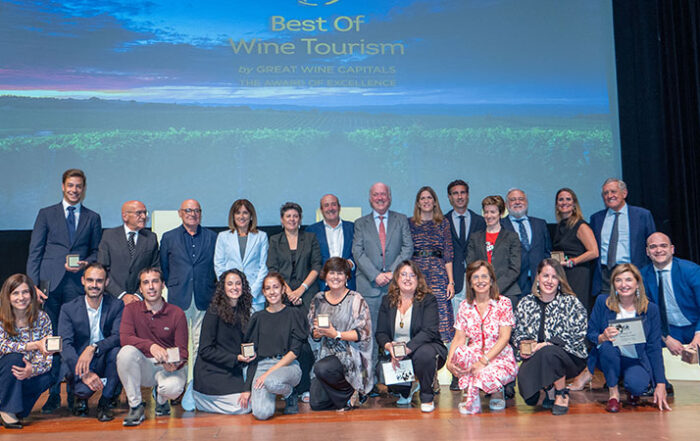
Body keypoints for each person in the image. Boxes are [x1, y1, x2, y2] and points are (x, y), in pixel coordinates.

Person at [26, 168, 102, 413]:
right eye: (70, 185)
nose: (74, 190)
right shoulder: (46, 214)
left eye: (78, 186)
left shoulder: (93, 217)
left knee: (76, 339)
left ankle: (75, 392)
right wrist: (32, 285)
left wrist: (86, 264)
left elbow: (96, 253)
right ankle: (52, 394)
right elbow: (35, 251)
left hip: (78, 285)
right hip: (49, 287)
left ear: (84, 188)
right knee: (53, 339)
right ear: (62, 186)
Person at [587, 264, 670, 412]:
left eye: (628, 280)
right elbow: (590, 334)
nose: (623, 285)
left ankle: (630, 387)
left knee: (638, 386)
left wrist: (661, 383)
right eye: (618, 280)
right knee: (607, 347)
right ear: (613, 284)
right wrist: (602, 336)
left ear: (637, 283)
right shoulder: (602, 302)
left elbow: (654, 348)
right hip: (609, 356)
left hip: (635, 359)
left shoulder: (650, 310)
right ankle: (614, 394)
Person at [352, 182, 414, 376]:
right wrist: (375, 275)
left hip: (396, 287)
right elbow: (357, 251)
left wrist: (392, 273)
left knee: (397, 334)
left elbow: (407, 248)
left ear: (390, 197)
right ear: (370, 198)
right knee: (368, 337)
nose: (380, 198)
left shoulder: (401, 219)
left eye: (384, 195)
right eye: (376, 195)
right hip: (369, 288)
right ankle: (369, 381)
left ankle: (397, 380)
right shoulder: (360, 223)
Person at [513, 259, 587, 415]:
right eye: (546, 275)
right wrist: (523, 346)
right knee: (529, 397)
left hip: (570, 357)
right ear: (538, 277)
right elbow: (518, 333)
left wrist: (546, 344)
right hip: (536, 356)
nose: (549, 281)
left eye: (554, 277)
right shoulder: (526, 303)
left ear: (559, 280)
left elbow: (578, 334)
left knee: (550, 352)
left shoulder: (570, 302)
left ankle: (561, 393)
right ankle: (549, 388)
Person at [117, 268, 188, 426]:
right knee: (125, 353)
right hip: (144, 366)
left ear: (163, 285)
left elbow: (183, 351)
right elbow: (125, 338)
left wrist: (176, 363)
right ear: (140, 288)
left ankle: (161, 399)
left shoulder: (177, 313)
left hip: (167, 368)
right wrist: (151, 346)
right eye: (146, 283)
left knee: (173, 388)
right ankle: (136, 407)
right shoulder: (130, 310)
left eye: (155, 281)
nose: (151, 287)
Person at [446, 261, 517, 415]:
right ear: (470, 283)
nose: (480, 281)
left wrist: (483, 361)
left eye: (484, 276)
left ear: (491, 280)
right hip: (474, 356)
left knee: (484, 372)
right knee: (462, 353)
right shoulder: (465, 306)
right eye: (475, 277)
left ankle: (497, 391)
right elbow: (459, 338)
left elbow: (504, 338)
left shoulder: (504, 303)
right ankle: (469, 393)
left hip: (499, 357)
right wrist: (448, 362)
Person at [375, 261, 447, 412]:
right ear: (397, 278)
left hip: (423, 347)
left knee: (424, 355)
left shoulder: (428, 300)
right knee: (386, 375)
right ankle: (406, 389)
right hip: (396, 351)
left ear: (418, 279)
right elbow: (381, 333)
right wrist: (390, 347)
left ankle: (427, 395)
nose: (407, 279)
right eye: (403, 274)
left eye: (412, 275)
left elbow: (429, 331)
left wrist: (405, 350)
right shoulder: (387, 301)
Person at [57, 263, 123, 422]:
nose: (94, 285)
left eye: (99, 281)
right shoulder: (68, 308)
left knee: (118, 352)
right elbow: (65, 344)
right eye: (90, 280)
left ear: (106, 283)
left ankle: (105, 402)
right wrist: (84, 374)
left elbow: (118, 336)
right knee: (82, 390)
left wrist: (94, 347)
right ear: (82, 281)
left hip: (103, 357)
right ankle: (80, 396)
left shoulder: (116, 305)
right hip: (80, 362)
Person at [308, 258, 373, 411]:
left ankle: (351, 390)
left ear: (347, 277)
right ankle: (347, 397)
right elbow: (311, 331)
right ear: (325, 276)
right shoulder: (318, 299)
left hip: (350, 354)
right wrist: (317, 333)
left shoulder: (356, 299)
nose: (335, 277)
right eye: (332, 273)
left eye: (340, 273)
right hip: (325, 354)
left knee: (322, 369)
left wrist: (335, 334)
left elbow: (362, 333)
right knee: (316, 404)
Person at [641, 232, 700, 397]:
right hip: (667, 330)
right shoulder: (642, 276)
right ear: (647, 252)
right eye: (653, 247)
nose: (658, 250)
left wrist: (698, 335)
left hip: (694, 326)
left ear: (672, 249)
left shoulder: (691, 270)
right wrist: (666, 338)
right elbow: (644, 316)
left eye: (663, 246)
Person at [243, 272, 307, 420]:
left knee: (271, 381)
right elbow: (252, 354)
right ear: (263, 292)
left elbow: (294, 352)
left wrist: (268, 373)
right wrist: (247, 388)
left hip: (288, 366)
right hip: (262, 366)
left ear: (283, 289)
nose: (272, 292)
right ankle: (274, 393)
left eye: (276, 287)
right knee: (261, 413)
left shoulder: (294, 314)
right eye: (268, 288)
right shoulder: (257, 318)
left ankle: (289, 393)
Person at [192, 269, 253, 414]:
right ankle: (197, 398)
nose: (234, 287)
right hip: (211, 370)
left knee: (252, 400)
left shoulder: (244, 311)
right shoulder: (213, 311)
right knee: (243, 408)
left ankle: (201, 398)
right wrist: (236, 358)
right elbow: (205, 350)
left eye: (238, 283)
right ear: (223, 287)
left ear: (243, 287)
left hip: (232, 369)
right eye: (230, 284)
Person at [444, 179, 485, 390]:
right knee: (457, 330)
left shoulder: (480, 220)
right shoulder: (442, 221)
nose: (459, 196)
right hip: (454, 284)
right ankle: (457, 374)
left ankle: (476, 372)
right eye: (455, 193)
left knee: (477, 330)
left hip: (477, 283)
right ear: (449, 197)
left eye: (463, 193)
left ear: (468, 195)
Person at [0, 274, 53, 429]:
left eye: (25, 292)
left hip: (25, 372)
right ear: (7, 296)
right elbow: (2, 346)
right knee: (15, 358)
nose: (21, 297)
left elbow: (47, 358)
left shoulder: (42, 318)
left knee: (48, 376)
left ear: (32, 294)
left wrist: (32, 370)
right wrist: (34, 345)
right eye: (15, 293)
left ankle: (13, 408)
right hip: (3, 372)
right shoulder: (1, 318)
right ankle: (6, 410)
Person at [589, 178, 656, 296]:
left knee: (634, 312)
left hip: (632, 273)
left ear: (624, 193)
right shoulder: (596, 218)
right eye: (605, 193)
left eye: (613, 191)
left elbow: (652, 245)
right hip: (605, 276)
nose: (609, 196)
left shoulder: (642, 215)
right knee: (607, 312)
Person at [409, 186, 455, 343]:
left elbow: (448, 254)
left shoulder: (443, 223)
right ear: (418, 203)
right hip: (417, 272)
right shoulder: (410, 223)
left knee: (441, 312)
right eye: (422, 198)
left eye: (429, 198)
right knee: (419, 309)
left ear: (435, 202)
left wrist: (450, 282)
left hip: (438, 273)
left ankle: (441, 352)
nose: (426, 201)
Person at [98, 200, 160, 304]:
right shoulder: (108, 236)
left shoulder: (151, 238)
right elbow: (102, 270)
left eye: (145, 213)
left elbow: (155, 268)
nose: (144, 216)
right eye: (139, 213)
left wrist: (138, 295)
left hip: (141, 300)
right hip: (113, 299)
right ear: (125, 216)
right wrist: (122, 295)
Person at [214, 199, 269, 311]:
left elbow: (264, 266)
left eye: (245, 213)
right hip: (230, 297)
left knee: (254, 328)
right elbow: (219, 265)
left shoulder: (261, 236)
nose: (241, 216)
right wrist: (229, 289)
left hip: (255, 297)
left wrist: (251, 292)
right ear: (233, 216)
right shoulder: (223, 237)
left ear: (251, 216)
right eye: (238, 213)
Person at [466, 196, 521, 306]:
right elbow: (470, 265)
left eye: (493, 212)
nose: (489, 216)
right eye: (486, 212)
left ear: (500, 213)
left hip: (508, 292)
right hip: (481, 294)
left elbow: (515, 268)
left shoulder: (512, 237)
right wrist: (484, 287)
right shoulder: (475, 237)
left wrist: (494, 288)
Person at [267, 202, 322, 309]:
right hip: (282, 291)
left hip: (307, 290)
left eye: (295, 216)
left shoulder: (310, 238)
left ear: (300, 220)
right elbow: (273, 269)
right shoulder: (275, 240)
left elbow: (316, 266)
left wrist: (301, 289)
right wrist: (289, 293)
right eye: (288, 216)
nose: (292, 219)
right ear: (282, 220)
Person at [552, 188, 599, 310]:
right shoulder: (560, 226)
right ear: (557, 204)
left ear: (574, 204)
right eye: (561, 199)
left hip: (578, 273)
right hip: (564, 273)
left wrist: (573, 261)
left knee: (576, 308)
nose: (564, 202)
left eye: (568, 199)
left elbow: (594, 252)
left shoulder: (581, 225)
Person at [501, 188, 552, 295]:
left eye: (521, 199)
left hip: (539, 283)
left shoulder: (540, 224)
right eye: (513, 199)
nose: (517, 202)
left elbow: (547, 252)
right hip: (512, 286)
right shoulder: (500, 226)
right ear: (506, 204)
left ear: (526, 202)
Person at [306, 194, 356, 291]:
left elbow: (360, 252)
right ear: (321, 210)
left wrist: (350, 263)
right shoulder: (311, 231)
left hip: (349, 284)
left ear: (339, 207)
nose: (330, 208)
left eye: (333, 204)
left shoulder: (353, 228)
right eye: (326, 205)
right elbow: (308, 258)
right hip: (321, 286)